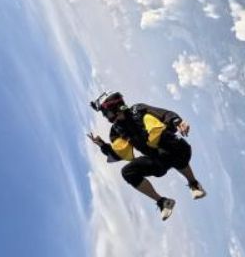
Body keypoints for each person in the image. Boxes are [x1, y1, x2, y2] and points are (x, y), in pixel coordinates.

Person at [87, 91, 206, 220]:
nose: (106, 117)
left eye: (106, 113)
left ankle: (194, 184)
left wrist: (178, 122)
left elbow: (164, 114)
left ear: (114, 106)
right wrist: (103, 145)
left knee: (166, 145)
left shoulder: (138, 110)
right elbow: (118, 153)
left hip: (177, 148)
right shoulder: (116, 131)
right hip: (158, 161)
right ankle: (163, 202)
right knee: (127, 172)